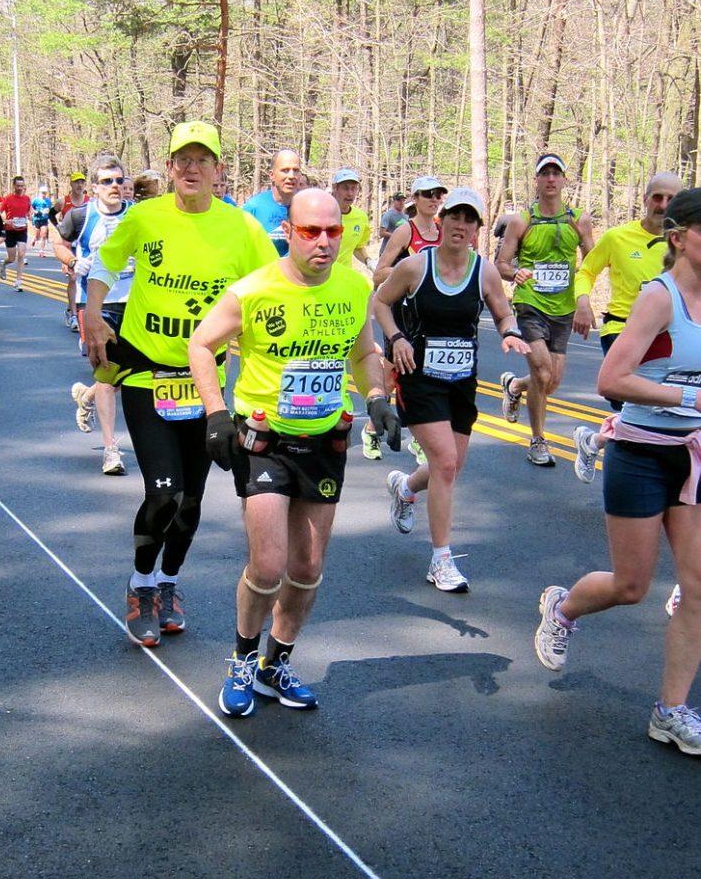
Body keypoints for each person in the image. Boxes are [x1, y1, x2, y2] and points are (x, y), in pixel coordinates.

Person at [189, 188, 401, 717]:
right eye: (311, 231)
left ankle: (274, 664)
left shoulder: (354, 287)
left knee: (307, 567)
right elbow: (201, 343)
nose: (324, 242)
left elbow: (363, 353)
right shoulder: (255, 290)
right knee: (268, 563)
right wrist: (215, 412)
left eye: (333, 231)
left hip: (324, 441)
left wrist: (376, 397)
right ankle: (241, 659)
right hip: (265, 440)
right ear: (289, 231)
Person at [84, 120, 277, 648]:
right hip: (148, 372)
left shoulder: (241, 229)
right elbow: (104, 261)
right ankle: (140, 583)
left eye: (203, 160)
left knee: (191, 500)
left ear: (218, 170)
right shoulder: (145, 217)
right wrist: (94, 311)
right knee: (162, 491)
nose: (192, 168)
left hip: (206, 381)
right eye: (182, 160)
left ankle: (168, 583)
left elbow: (274, 287)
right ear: (169, 168)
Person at [535, 187, 701, 757]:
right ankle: (563, 607)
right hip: (641, 452)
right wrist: (684, 396)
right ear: (679, 238)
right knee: (632, 585)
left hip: (693, 457)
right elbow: (612, 379)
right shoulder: (660, 298)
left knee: (698, 586)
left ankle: (670, 711)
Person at [374, 188, 529, 591]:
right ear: (441, 222)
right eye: (455, 217)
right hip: (418, 378)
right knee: (444, 462)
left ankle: (406, 487)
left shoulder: (485, 271)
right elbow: (380, 301)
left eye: (470, 219)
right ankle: (441, 560)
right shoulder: (415, 267)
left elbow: (502, 309)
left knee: (451, 466)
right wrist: (396, 338)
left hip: (461, 381)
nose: (461, 225)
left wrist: (510, 332)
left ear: (478, 229)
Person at [569, 172, 683, 481]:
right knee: (639, 404)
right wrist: (582, 301)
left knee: (650, 413)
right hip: (621, 331)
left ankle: (593, 441)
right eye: (657, 197)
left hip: (670, 338)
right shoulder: (617, 237)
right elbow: (587, 271)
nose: (663, 205)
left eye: (671, 199)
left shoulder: (685, 245)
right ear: (645, 200)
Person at [496, 152, 594, 466]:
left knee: (551, 380)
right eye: (545, 174)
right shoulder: (521, 220)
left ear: (565, 180)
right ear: (537, 180)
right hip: (530, 303)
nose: (550, 179)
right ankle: (538, 440)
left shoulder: (578, 219)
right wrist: (515, 273)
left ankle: (514, 386)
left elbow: (592, 264)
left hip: (564, 308)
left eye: (556, 173)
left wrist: (584, 300)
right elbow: (500, 263)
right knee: (541, 370)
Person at [52, 153, 132, 476]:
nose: (114, 186)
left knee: (127, 373)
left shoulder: (136, 216)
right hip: (96, 304)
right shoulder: (81, 216)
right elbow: (58, 240)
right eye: (106, 181)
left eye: (118, 180)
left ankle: (86, 397)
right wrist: (73, 261)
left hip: (134, 301)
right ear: (94, 187)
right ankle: (111, 449)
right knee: (107, 370)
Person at [371, 176, 448, 462]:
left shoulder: (442, 231)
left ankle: (419, 439)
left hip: (429, 317)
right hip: (400, 314)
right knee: (392, 379)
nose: (433, 199)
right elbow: (379, 273)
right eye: (427, 194)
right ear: (415, 198)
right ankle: (370, 428)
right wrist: (408, 274)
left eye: (437, 194)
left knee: (426, 378)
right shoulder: (406, 231)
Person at [242, 150, 302, 255]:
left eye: (296, 170)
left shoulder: (306, 208)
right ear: (272, 175)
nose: (292, 176)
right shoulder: (253, 208)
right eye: (285, 170)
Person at [50, 171, 88, 330]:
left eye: (82, 182)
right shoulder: (63, 201)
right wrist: (59, 229)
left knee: (85, 280)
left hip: (83, 243)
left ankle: (72, 308)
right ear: (71, 185)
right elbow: (51, 214)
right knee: (72, 279)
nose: (79, 185)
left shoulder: (90, 201)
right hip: (68, 244)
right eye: (76, 182)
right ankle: (73, 315)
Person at [0, 175, 32, 290]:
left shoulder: (27, 199)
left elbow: (28, 212)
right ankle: (4, 264)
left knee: (21, 254)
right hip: (10, 230)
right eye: (18, 186)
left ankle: (19, 281)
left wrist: (29, 217)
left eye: (22, 186)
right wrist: (6, 220)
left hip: (22, 229)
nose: (20, 188)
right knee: (12, 258)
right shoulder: (8, 198)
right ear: (14, 186)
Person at [30, 185, 52, 256]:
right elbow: (31, 208)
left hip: (44, 219)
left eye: (45, 193)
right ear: (40, 192)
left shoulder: (48, 200)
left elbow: (49, 209)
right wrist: (35, 211)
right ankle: (34, 239)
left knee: (44, 234)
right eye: (42, 192)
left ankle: (41, 251)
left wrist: (46, 211)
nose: (44, 194)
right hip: (36, 219)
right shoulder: (35, 200)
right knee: (37, 235)